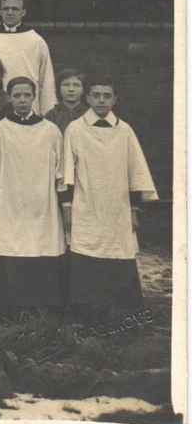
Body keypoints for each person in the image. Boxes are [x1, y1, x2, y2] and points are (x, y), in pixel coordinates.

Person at [62, 76, 158, 321]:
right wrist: (68, 207)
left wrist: (133, 210)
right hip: (87, 205)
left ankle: (120, 317)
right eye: (96, 95)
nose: (101, 100)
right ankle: (86, 315)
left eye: (107, 96)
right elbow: (67, 172)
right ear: (88, 98)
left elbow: (135, 171)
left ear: (115, 99)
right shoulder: (75, 129)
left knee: (119, 252)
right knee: (86, 253)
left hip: (117, 207)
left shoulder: (124, 131)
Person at [0, 77, 66, 318]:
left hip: (43, 206)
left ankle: (41, 312)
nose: (22, 100)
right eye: (17, 96)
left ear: (34, 97)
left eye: (26, 95)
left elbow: (59, 173)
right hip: (10, 206)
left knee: (42, 250)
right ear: (9, 97)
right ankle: (10, 313)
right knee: (11, 250)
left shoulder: (50, 131)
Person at [0, 0, 56, 115]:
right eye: (6, 9)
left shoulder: (36, 40)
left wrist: (48, 113)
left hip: (27, 105)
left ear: (23, 12)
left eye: (15, 9)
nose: (10, 13)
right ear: (0, 12)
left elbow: (46, 80)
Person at [44, 68, 89, 133]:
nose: (71, 89)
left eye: (76, 85)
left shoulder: (89, 114)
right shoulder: (51, 116)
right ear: (59, 88)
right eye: (66, 85)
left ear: (83, 89)